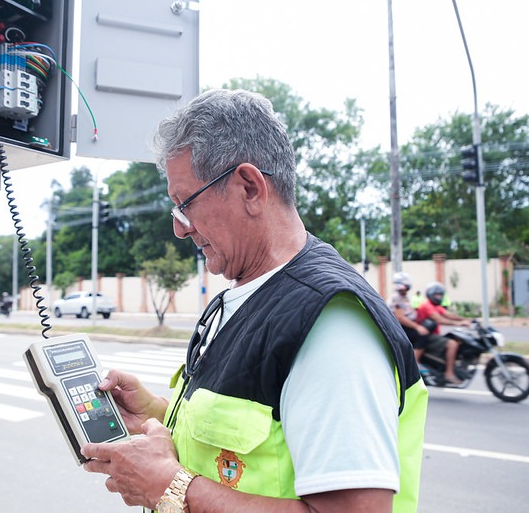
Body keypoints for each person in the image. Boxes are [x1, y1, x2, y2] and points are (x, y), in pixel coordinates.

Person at [80, 89, 428, 513]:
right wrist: (153, 413)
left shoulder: (329, 324)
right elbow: (246, 441)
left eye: (184, 204)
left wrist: (171, 488)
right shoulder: (246, 295)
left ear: (249, 187)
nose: (179, 228)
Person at [414, 282, 471, 385]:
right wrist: (459, 323)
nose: (439, 297)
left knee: (459, 339)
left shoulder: (436, 305)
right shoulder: (426, 305)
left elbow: (448, 314)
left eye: (440, 295)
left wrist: (466, 319)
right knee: (452, 344)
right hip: (426, 336)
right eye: (437, 295)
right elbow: (439, 319)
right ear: (430, 294)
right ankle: (449, 374)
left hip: (433, 335)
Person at [389, 272, 430, 368]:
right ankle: (415, 364)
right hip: (402, 327)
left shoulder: (403, 297)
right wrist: (418, 327)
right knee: (422, 335)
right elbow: (400, 317)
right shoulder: (397, 298)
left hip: (408, 324)